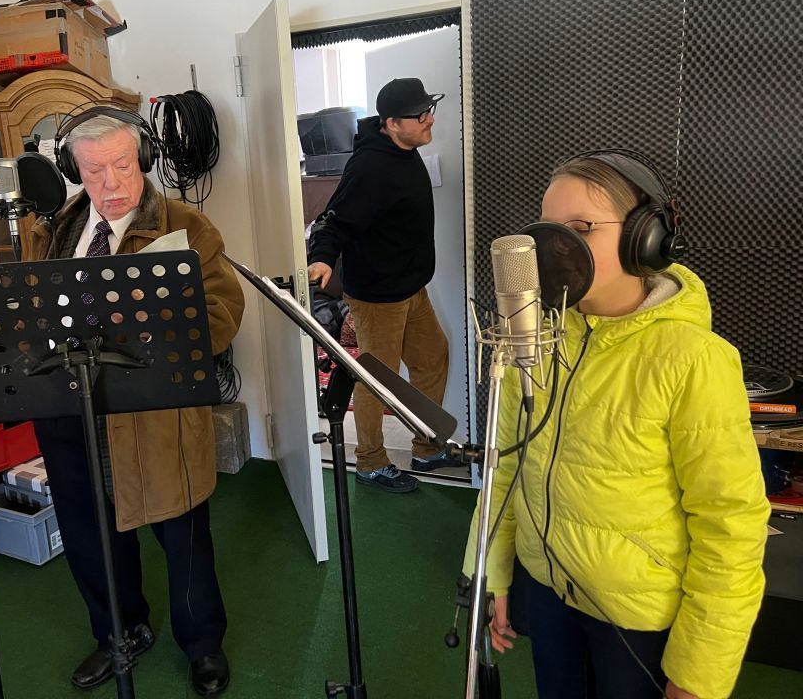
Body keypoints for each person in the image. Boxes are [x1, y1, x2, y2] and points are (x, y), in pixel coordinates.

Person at [462, 151, 769, 699]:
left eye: (581, 228)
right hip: (547, 587)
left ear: (644, 240)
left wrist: (699, 672)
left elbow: (730, 524)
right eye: (547, 228)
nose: (556, 247)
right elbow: (504, 464)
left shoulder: (694, 360)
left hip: (636, 615)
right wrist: (491, 571)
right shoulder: (532, 338)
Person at [25, 111, 245, 696]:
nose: (113, 182)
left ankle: (202, 643)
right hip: (69, 412)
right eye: (95, 170)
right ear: (74, 169)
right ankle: (119, 632)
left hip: (154, 413)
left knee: (181, 531)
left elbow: (224, 311)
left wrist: (152, 332)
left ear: (142, 158)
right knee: (89, 531)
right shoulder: (55, 232)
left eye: (123, 164)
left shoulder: (187, 226)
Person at [306, 77, 462, 493]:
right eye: (421, 115)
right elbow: (333, 220)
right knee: (379, 379)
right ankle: (371, 462)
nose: (430, 119)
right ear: (392, 123)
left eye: (430, 109)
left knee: (432, 358)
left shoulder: (403, 150)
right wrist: (321, 257)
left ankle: (426, 447)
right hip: (378, 298)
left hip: (411, 288)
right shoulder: (370, 167)